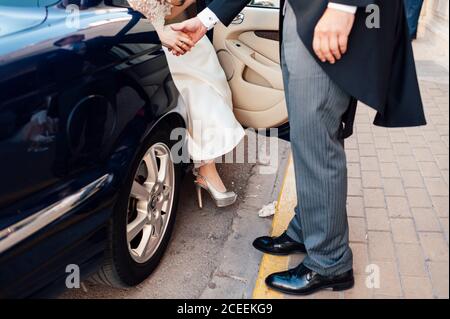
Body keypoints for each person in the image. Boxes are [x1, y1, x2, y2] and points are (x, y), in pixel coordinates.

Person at [171, 0, 426, 295]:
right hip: (305, 15)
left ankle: (330, 262)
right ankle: (307, 229)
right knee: (306, 139)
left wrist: (342, 8)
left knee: (318, 143)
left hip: (330, 15)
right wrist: (205, 20)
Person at [128, 0, 246, 208]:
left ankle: (205, 164)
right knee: (193, 86)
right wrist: (159, 35)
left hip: (163, 33)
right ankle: (206, 170)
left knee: (199, 56)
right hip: (135, 42)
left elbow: (167, 11)